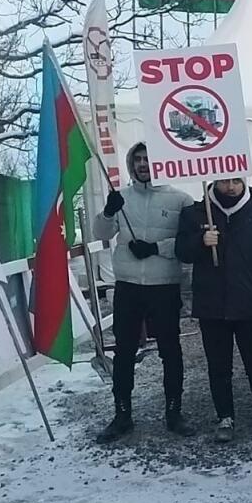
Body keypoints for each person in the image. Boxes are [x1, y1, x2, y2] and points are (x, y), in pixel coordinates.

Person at [93, 143, 195, 443]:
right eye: (137, 159)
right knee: (124, 352)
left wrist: (156, 248)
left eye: (148, 159)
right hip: (128, 286)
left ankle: (174, 412)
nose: (142, 164)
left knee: (170, 351)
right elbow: (100, 234)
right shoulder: (121, 197)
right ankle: (122, 414)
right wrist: (107, 212)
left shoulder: (181, 199)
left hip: (164, 286)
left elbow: (188, 243)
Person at [176, 177, 252, 442]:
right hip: (212, 305)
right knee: (219, 365)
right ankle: (225, 416)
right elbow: (182, 251)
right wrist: (201, 241)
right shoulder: (195, 214)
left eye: (236, 181)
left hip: (248, 303)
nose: (231, 187)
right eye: (225, 182)